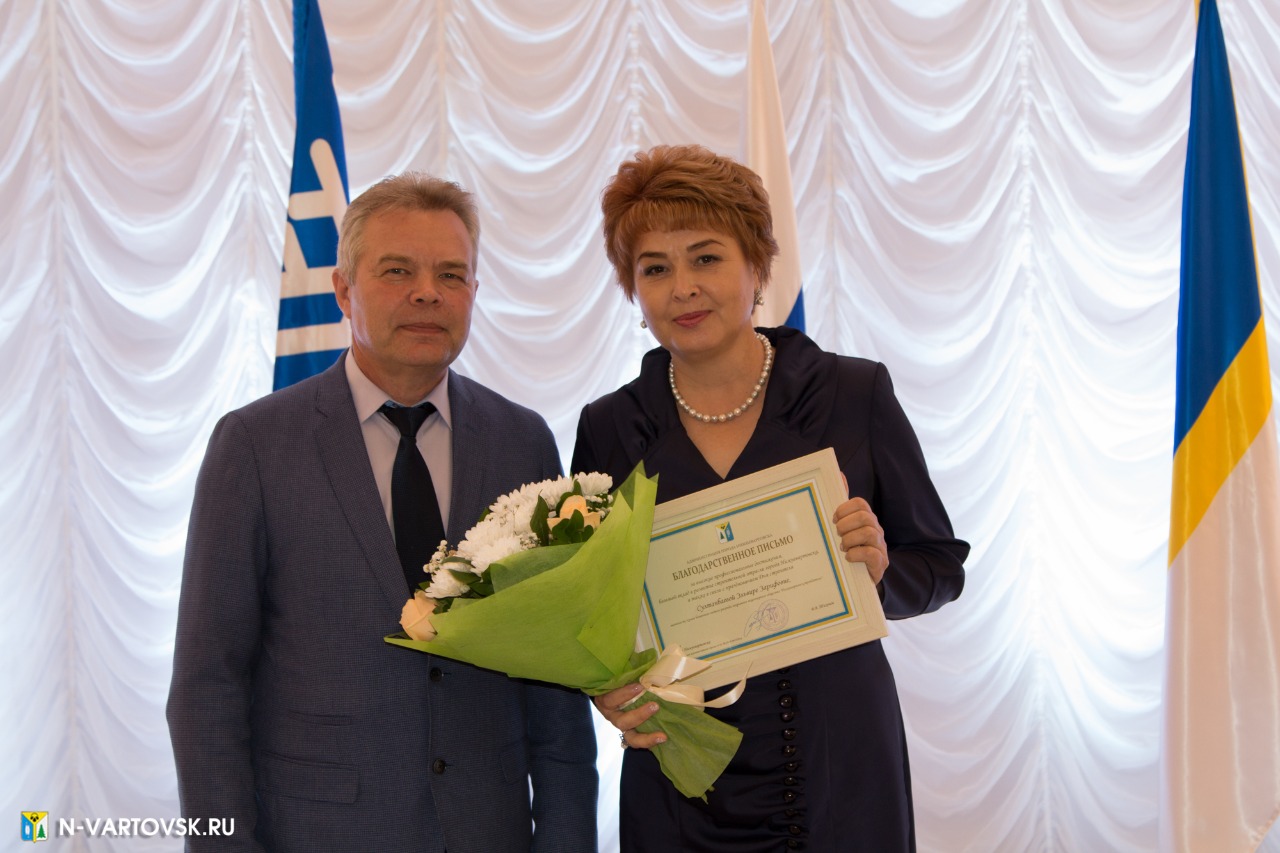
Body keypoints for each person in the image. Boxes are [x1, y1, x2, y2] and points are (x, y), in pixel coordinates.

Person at [168, 172, 598, 853]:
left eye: (451, 274)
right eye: (398, 270)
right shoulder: (254, 446)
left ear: (475, 291)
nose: (427, 292)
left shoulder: (522, 442)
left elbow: (557, 683)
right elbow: (207, 688)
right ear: (343, 290)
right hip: (320, 833)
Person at [575, 144, 968, 852]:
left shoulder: (852, 393)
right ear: (633, 290)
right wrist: (608, 689)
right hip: (681, 769)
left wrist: (879, 571)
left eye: (706, 258)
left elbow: (940, 568)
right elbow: (591, 614)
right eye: (654, 268)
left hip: (838, 762)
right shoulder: (609, 427)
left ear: (756, 266)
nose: (683, 288)